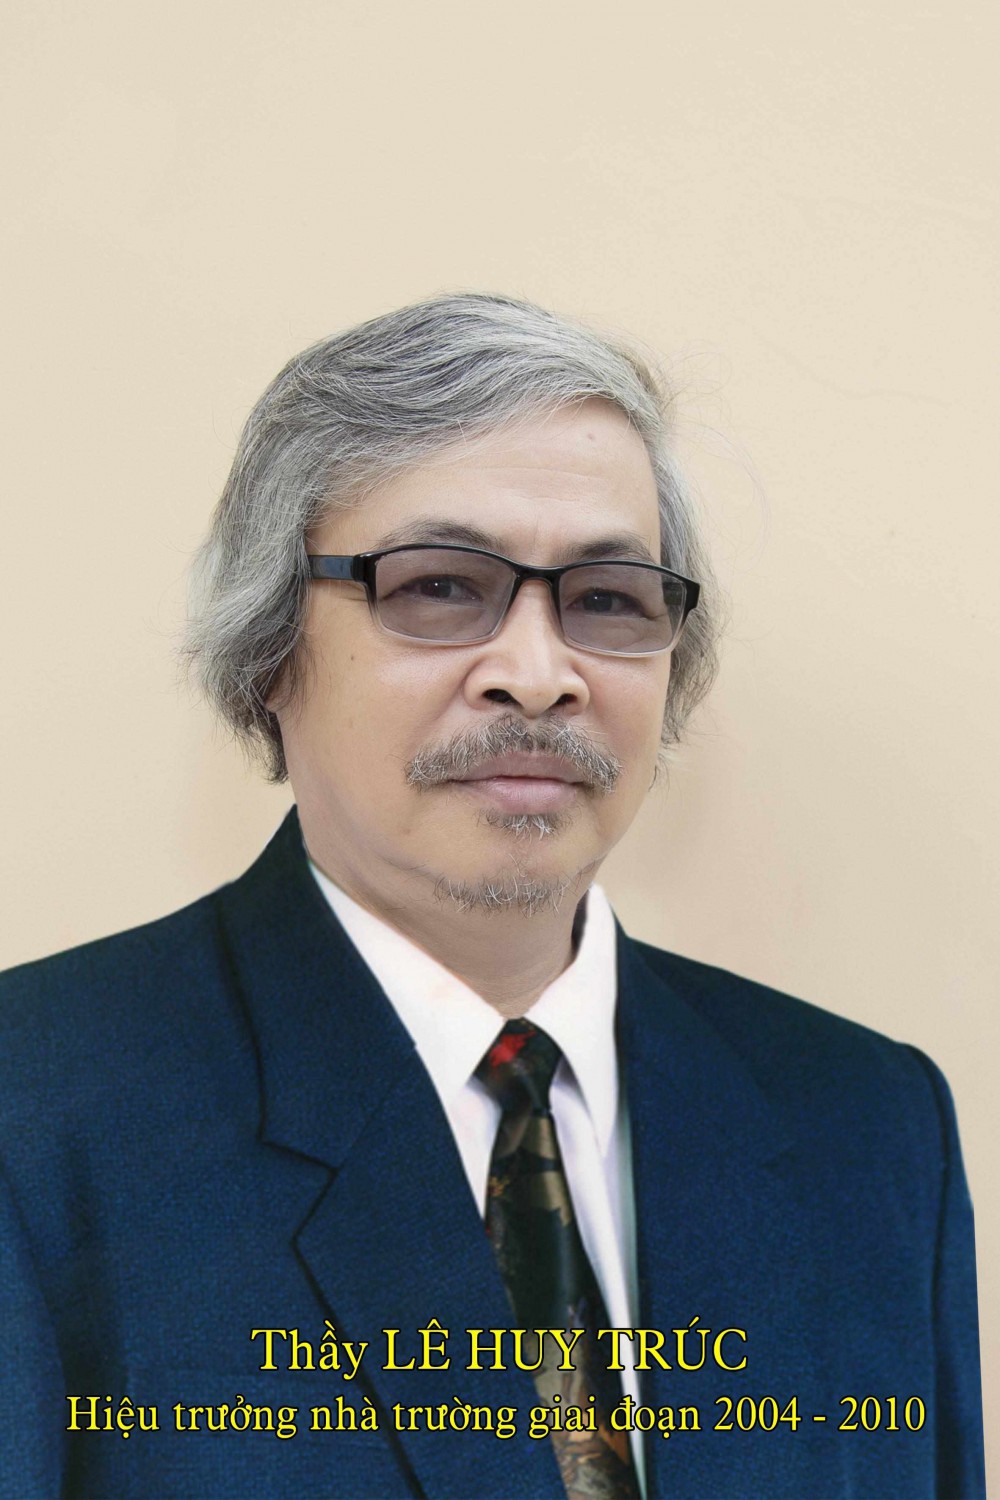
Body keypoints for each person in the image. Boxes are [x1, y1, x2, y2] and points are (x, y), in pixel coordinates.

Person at [0, 294, 984, 1500]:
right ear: (269, 653)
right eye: (437, 586)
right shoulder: (34, 1113)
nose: (536, 673)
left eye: (608, 598)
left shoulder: (871, 1127)